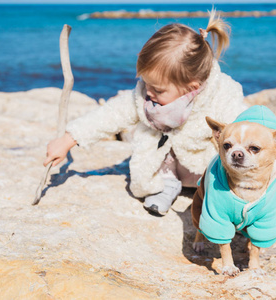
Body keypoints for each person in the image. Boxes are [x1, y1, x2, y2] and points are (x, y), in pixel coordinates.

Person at [44, 10, 246, 216]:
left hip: (203, 169)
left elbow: (245, 130)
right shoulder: (145, 95)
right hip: (166, 167)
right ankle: (166, 185)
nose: (148, 92)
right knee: (153, 141)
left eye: (158, 89)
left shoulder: (222, 94)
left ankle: (211, 195)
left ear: (190, 87)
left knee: (220, 172)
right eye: (146, 83)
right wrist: (70, 138)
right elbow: (112, 113)